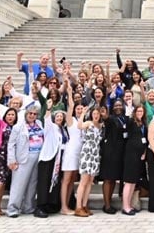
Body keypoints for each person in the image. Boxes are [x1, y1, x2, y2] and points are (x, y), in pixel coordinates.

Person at [6, 105, 44, 218]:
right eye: (30, 113)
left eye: (34, 114)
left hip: (37, 157)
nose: (32, 115)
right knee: (18, 184)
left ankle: (28, 207)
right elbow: (11, 144)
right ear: (26, 114)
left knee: (32, 184)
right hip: (23, 158)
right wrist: (11, 160)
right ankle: (12, 209)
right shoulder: (18, 126)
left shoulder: (39, 124)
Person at [35, 99, 68, 218]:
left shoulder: (63, 130)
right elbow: (47, 119)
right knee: (44, 182)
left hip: (57, 160)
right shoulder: (51, 127)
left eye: (61, 116)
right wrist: (49, 109)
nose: (59, 118)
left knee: (53, 182)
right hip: (47, 158)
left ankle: (50, 204)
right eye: (57, 116)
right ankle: (40, 206)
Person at [100, 99, 127, 214]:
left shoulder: (124, 119)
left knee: (113, 179)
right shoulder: (111, 118)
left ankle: (109, 202)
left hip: (119, 153)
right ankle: (106, 205)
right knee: (108, 179)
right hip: (110, 153)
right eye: (116, 106)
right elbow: (106, 119)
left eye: (120, 105)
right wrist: (104, 115)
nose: (118, 107)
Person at [75, 106, 104, 217]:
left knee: (90, 182)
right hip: (87, 152)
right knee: (83, 181)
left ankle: (84, 205)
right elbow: (79, 126)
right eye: (94, 113)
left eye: (98, 113)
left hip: (95, 154)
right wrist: (83, 113)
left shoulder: (101, 126)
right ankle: (78, 207)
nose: (96, 115)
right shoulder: (88, 123)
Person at [60, 83, 84, 215]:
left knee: (72, 181)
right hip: (70, 152)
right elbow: (70, 106)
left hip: (79, 154)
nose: (79, 111)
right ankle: (63, 206)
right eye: (78, 109)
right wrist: (69, 93)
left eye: (81, 109)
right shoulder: (71, 121)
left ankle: (68, 204)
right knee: (66, 180)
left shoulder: (84, 121)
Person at [122, 105, 148, 216]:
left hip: (139, 156)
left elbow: (144, 140)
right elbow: (127, 124)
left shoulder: (143, 124)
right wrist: (128, 109)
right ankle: (125, 206)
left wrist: (144, 152)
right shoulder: (132, 122)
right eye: (138, 111)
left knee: (133, 182)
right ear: (135, 112)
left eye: (141, 111)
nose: (140, 113)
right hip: (131, 155)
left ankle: (129, 204)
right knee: (128, 181)